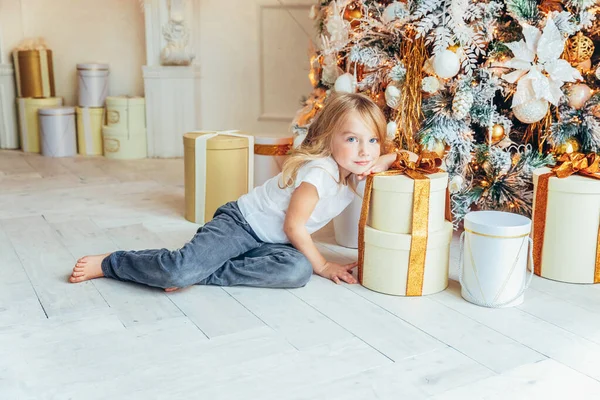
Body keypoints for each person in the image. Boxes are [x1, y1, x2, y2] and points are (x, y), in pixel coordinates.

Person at [69, 93, 399, 290]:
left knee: (297, 271)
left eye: (371, 140)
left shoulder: (354, 169)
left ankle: (203, 273)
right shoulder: (320, 174)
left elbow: (380, 161)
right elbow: (294, 227)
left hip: (272, 244)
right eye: (352, 139)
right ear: (329, 139)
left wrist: (393, 156)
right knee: (178, 270)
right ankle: (113, 263)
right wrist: (325, 266)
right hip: (240, 225)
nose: (365, 151)